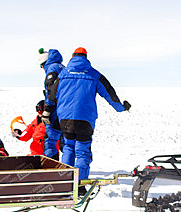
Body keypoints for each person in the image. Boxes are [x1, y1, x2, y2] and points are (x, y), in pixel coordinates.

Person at [56, 47, 131, 185]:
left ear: (72, 57)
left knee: (68, 148)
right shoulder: (94, 74)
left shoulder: (62, 74)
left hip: (65, 119)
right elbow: (110, 94)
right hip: (84, 120)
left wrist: (50, 112)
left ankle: (65, 184)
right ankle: (80, 185)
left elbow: (52, 95)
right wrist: (121, 108)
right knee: (82, 152)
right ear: (86, 57)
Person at [38, 48, 65, 159]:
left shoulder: (52, 70)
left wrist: (47, 110)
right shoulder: (63, 68)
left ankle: (54, 169)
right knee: (67, 142)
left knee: (50, 140)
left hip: (56, 110)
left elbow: (51, 90)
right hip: (66, 110)